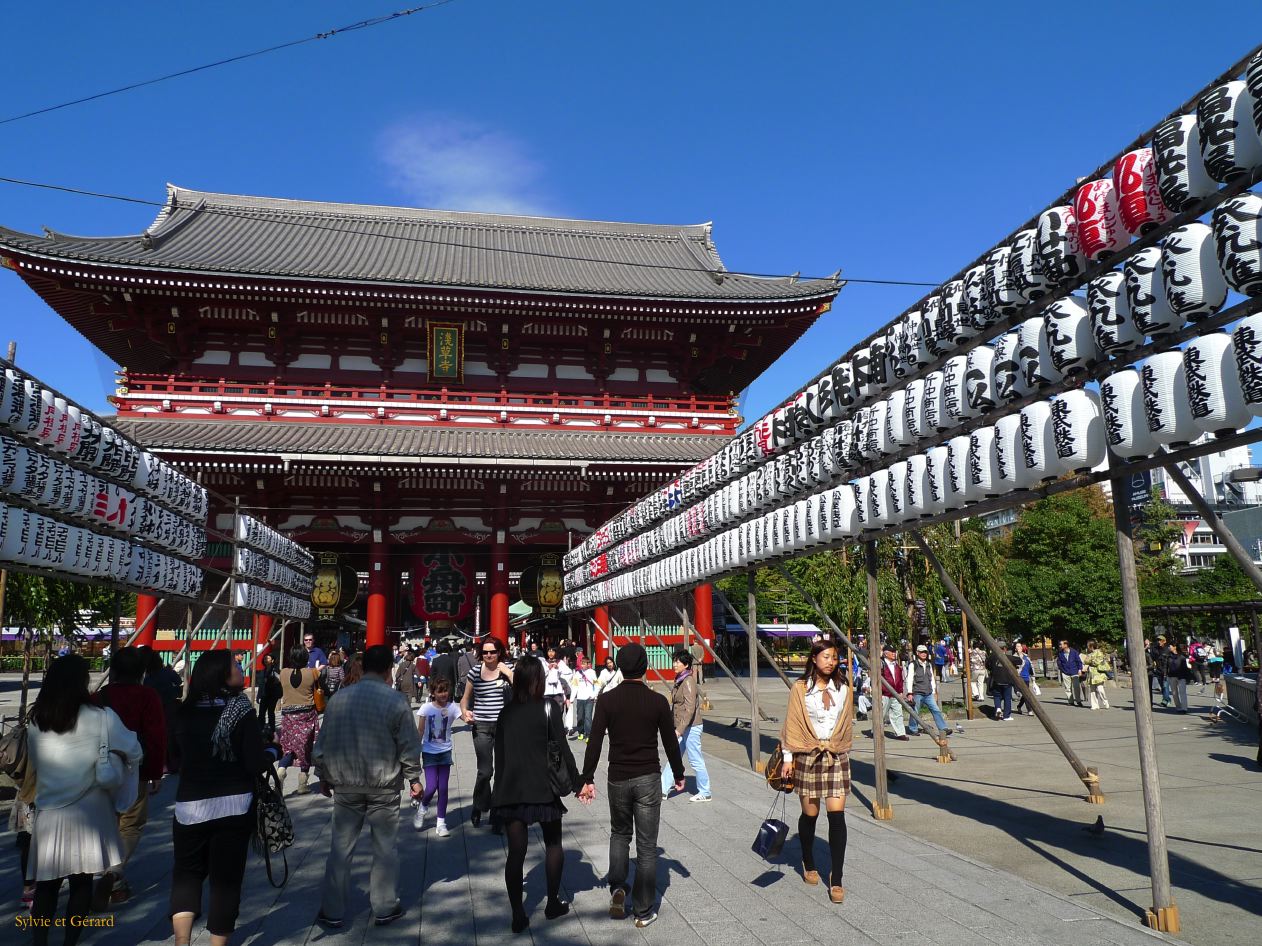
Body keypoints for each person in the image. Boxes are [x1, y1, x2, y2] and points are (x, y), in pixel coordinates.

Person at [26, 655, 142, 946]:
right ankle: (70, 942)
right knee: (81, 883)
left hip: (49, 811)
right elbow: (135, 750)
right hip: (90, 811)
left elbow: (36, 761)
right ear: (82, 682)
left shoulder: (36, 719)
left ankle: (39, 940)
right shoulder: (102, 717)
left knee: (47, 886)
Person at [170, 650, 281, 946]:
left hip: (189, 805)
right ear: (221, 673)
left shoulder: (183, 711)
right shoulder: (241, 709)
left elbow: (174, 757)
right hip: (234, 805)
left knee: (186, 874)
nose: (240, 666)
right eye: (234, 663)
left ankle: (181, 941)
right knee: (226, 881)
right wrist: (274, 751)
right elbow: (254, 763)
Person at [311, 644, 421, 929]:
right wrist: (414, 778)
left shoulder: (339, 700)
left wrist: (322, 774)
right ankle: (384, 906)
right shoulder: (397, 701)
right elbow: (408, 746)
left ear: (362, 666)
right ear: (388, 669)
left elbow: (323, 742)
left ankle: (332, 909)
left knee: (340, 847)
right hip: (383, 784)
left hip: (345, 783)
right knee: (384, 848)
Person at [579, 644, 684, 929]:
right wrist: (678, 772)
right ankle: (643, 910)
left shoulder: (608, 700)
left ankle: (617, 888)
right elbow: (670, 742)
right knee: (647, 847)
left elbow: (596, 740)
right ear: (646, 666)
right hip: (648, 777)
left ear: (620, 668)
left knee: (620, 834)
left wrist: (586, 778)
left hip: (618, 777)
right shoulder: (657, 701)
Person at [491, 656, 580, 934]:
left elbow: (499, 758)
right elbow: (563, 749)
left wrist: (497, 796)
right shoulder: (548, 707)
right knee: (553, 844)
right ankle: (552, 903)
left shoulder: (506, 713)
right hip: (543, 788)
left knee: (516, 853)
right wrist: (578, 783)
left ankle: (518, 913)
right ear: (539, 679)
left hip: (512, 789)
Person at [778, 636, 852, 905]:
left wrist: (840, 746)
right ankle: (808, 861)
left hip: (835, 756)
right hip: (807, 756)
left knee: (837, 815)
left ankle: (837, 878)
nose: (831, 662)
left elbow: (846, 724)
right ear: (814, 659)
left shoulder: (843, 688)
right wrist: (788, 758)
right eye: (826, 657)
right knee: (811, 814)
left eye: (834, 657)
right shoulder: (800, 688)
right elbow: (791, 725)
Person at [92, 646, 166, 908]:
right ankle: (113, 873)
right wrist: (156, 771)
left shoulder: (100, 697)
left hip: (100, 770)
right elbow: (155, 736)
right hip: (134, 770)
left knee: (106, 820)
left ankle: (106, 874)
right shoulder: (147, 696)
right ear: (141, 672)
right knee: (131, 823)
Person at [460, 637, 514, 832]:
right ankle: (479, 804)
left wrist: (509, 673)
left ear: (499, 652)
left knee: (501, 771)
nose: (489, 655)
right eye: (485, 652)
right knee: (485, 771)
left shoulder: (507, 671)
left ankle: (497, 815)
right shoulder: (475, 672)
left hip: (504, 726)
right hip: (481, 725)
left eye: (492, 652)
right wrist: (465, 712)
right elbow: (464, 700)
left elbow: (523, 692)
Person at [414, 678, 462, 836]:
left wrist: (474, 717)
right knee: (431, 787)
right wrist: (414, 749)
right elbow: (420, 731)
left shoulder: (452, 707)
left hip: (445, 753)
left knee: (443, 788)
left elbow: (465, 716)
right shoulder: (426, 708)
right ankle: (423, 807)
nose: (443, 694)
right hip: (429, 752)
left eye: (445, 691)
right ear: (433, 693)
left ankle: (441, 823)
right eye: (439, 691)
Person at [661, 650, 711, 801]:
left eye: (678, 661)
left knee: (695, 760)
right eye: (674, 661)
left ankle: (705, 791)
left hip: (691, 727)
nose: (674, 664)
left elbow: (689, 709)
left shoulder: (688, 681)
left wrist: (679, 730)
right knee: (673, 757)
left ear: (686, 664)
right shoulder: (680, 679)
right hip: (682, 727)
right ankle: (662, 789)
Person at [278, 644, 321, 793]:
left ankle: (281, 769)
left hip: (288, 715)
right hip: (306, 714)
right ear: (306, 657)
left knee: (289, 748)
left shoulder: (283, 672)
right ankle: (302, 783)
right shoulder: (313, 673)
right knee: (305, 748)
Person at [142, 646, 184, 773]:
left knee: (157, 735)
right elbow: (178, 681)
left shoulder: (147, 678)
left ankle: (163, 762)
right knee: (171, 734)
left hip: (154, 707)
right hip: (170, 705)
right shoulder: (167, 672)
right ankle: (173, 763)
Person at [905, 644, 950, 736]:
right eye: (921, 652)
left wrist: (934, 692)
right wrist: (909, 693)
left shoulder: (929, 664)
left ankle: (943, 728)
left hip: (928, 692)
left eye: (925, 652)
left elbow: (932, 678)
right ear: (917, 653)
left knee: (936, 710)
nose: (924, 654)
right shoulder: (913, 664)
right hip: (917, 692)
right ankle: (913, 729)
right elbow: (909, 679)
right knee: (915, 712)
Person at [877, 642, 909, 740]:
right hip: (884, 693)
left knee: (898, 714)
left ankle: (900, 733)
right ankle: (876, 732)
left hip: (895, 694)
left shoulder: (896, 666)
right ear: (886, 653)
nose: (894, 653)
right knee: (880, 714)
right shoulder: (881, 664)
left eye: (894, 652)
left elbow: (900, 679)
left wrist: (900, 691)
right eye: (892, 652)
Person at [570, 654, 598, 741]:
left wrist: (594, 695)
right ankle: (581, 732)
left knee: (588, 717)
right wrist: (571, 698)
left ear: (588, 664)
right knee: (580, 717)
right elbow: (574, 686)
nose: (583, 665)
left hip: (589, 698)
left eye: (584, 663)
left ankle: (589, 734)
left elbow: (597, 684)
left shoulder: (592, 672)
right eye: (582, 663)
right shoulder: (577, 674)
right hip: (580, 698)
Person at [987, 643, 1016, 721]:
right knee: (1007, 697)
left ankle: (998, 708)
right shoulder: (1008, 657)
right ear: (1005, 649)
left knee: (997, 696)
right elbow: (1019, 661)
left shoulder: (992, 657)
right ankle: (1006, 716)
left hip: (996, 680)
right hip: (1007, 680)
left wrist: (993, 669)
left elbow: (987, 664)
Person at [257, 653, 283, 736]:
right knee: (261, 713)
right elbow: (261, 685)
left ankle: (272, 730)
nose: (266, 660)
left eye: (268, 658)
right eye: (265, 658)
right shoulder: (263, 671)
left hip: (272, 695)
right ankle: (261, 729)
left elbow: (279, 681)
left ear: (272, 660)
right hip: (264, 694)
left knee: (271, 712)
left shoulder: (276, 670)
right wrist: (258, 696)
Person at [1082, 641, 1111, 710]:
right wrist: (1091, 660)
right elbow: (1085, 661)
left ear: (1091, 646)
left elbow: (1097, 662)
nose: (1087, 647)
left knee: (1100, 689)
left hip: (1099, 673)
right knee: (1092, 690)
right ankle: (1095, 705)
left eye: (1088, 646)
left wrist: (1091, 660)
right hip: (1091, 673)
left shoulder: (1099, 652)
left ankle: (1105, 702)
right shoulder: (1089, 654)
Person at [1167, 642, 1195, 713]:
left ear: (1175, 647)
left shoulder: (1181, 657)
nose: (1169, 648)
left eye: (1170, 646)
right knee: (1174, 693)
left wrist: (1186, 677)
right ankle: (1178, 707)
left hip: (1181, 677)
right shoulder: (1168, 656)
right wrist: (1166, 674)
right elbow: (1166, 666)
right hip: (1171, 676)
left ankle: (1184, 708)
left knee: (1182, 692)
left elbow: (1185, 668)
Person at [1056, 640, 1085, 707]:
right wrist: (1062, 670)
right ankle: (1070, 701)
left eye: (1061, 644)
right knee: (1067, 688)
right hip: (1065, 672)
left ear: (1066, 645)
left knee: (1076, 687)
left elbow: (1079, 661)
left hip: (1074, 672)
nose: (1060, 646)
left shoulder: (1074, 652)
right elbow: (1059, 662)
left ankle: (1078, 701)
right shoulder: (1060, 653)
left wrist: (1080, 669)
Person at [1013, 643, 1036, 717]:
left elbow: (1031, 667)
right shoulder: (1013, 657)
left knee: (1025, 695)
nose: (1019, 647)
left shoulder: (1026, 657)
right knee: (1026, 694)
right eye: (1017, 646)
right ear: (1015, 648)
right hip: (1018, 678)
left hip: (1026, 678)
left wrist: (1033, 678)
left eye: (1020, 646)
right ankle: (1029, 710)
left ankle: (1019, 706)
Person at [1147, 636, 1171, 707]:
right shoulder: (1155, 649)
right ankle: (1166, 699)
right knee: (1162, 686)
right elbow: (1151, 657)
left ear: (1164, 641)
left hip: (1166, 670)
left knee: (1165, 686)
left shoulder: (1167, 649)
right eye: (1158, 640)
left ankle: (1166, 700)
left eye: (1160, 640)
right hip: (1158, 670)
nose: (1159, 641)